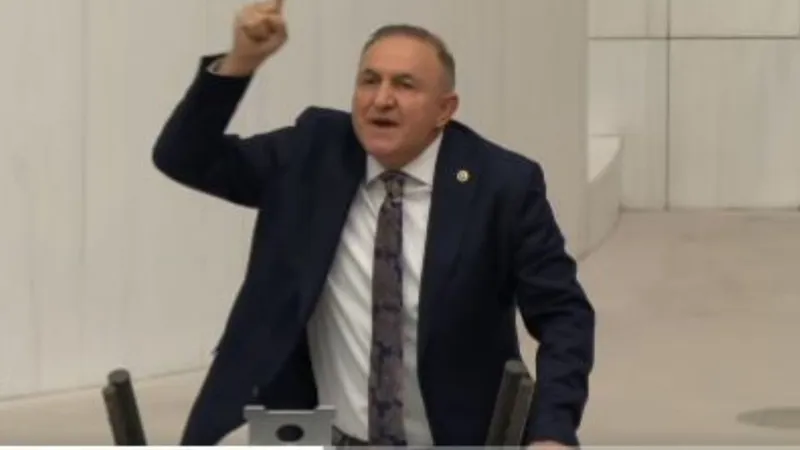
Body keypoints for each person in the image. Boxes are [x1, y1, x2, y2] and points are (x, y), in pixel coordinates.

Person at [152, 0, 595, 447]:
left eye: (405, 85)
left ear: (445, 109)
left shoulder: (502, 186)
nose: (382, 99)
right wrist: (241, 61)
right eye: (369, 80)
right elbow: (182, 157)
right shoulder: (313, 155)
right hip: (326, 438)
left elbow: (563, 315)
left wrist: (552, 430)